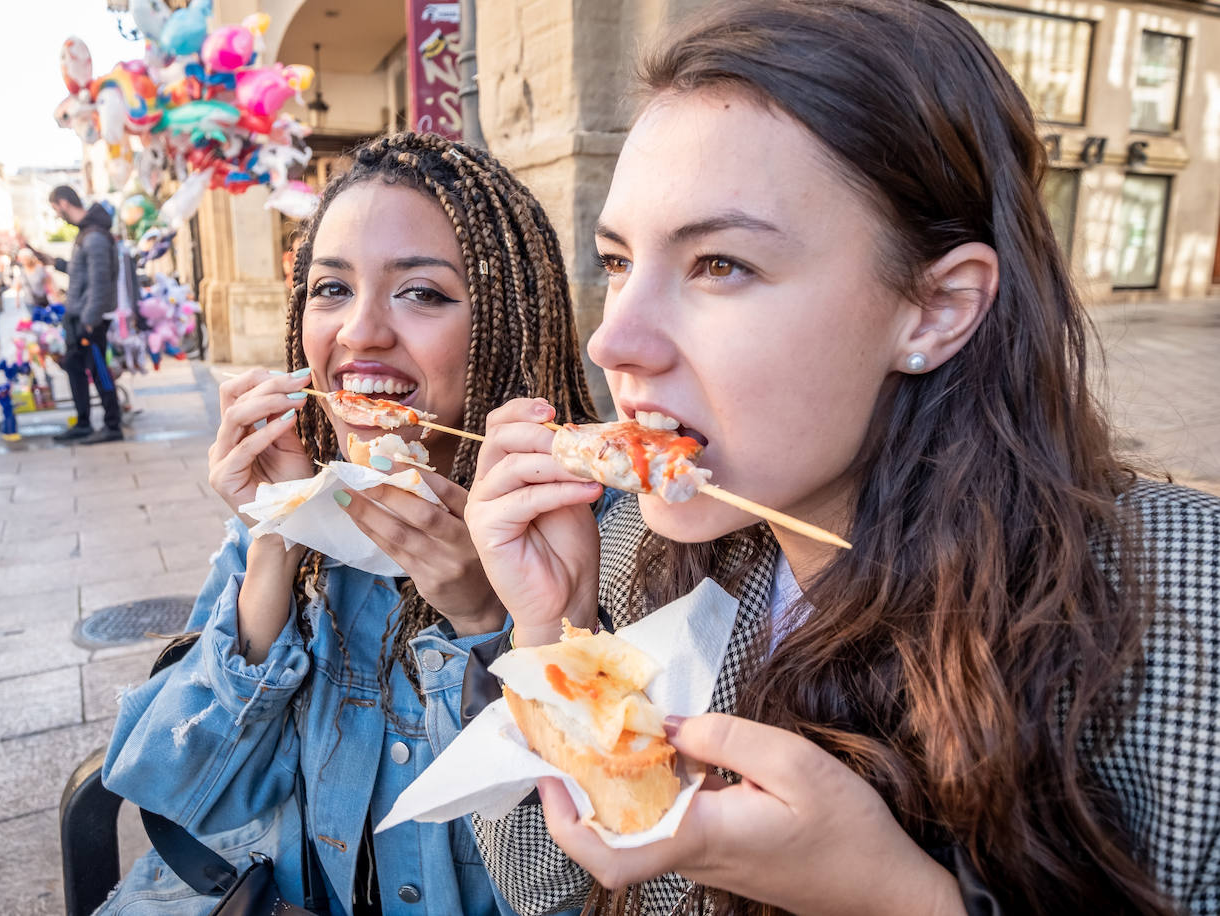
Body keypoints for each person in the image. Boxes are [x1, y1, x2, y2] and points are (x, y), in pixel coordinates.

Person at [461, 2, 1220, 915]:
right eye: (618, 261)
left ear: (935, 309)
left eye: (720, 265)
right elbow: (553, 895)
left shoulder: (1191, 622)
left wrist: (899, 899)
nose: (611, 343)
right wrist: (554, 637)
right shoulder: (625, 569)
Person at [97, 132, 599, 916]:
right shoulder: (304, 518)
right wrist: (275, 538)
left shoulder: (590, 539)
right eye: (331, 289)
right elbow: (186, 789)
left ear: (510, 323)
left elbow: (575, 880)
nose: (359, 331)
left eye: (423, 293)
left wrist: (485, 618)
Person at [48, 186, 122, 444]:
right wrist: (54, 262)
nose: (58, 215)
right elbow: (84, 275)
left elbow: (99, 283)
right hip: (80, 316)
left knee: (99, 370)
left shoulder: (94, 237)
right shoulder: (88, 235)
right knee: (75, 368)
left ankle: (112, 425)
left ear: (64, 203)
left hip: (89, 320)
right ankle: (83, 423)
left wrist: (89, 322)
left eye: (56, 209)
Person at [15, 248, 54, 314]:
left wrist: (54, 296)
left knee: (45, 321)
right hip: (29, 301)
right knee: (34, 322)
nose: (24, 261)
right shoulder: (21, 271)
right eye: (22, 259)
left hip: (41, 300)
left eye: (26, 258)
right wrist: (17, 299)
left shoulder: (39, 269)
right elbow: (18, 286)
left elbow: (48, 283)